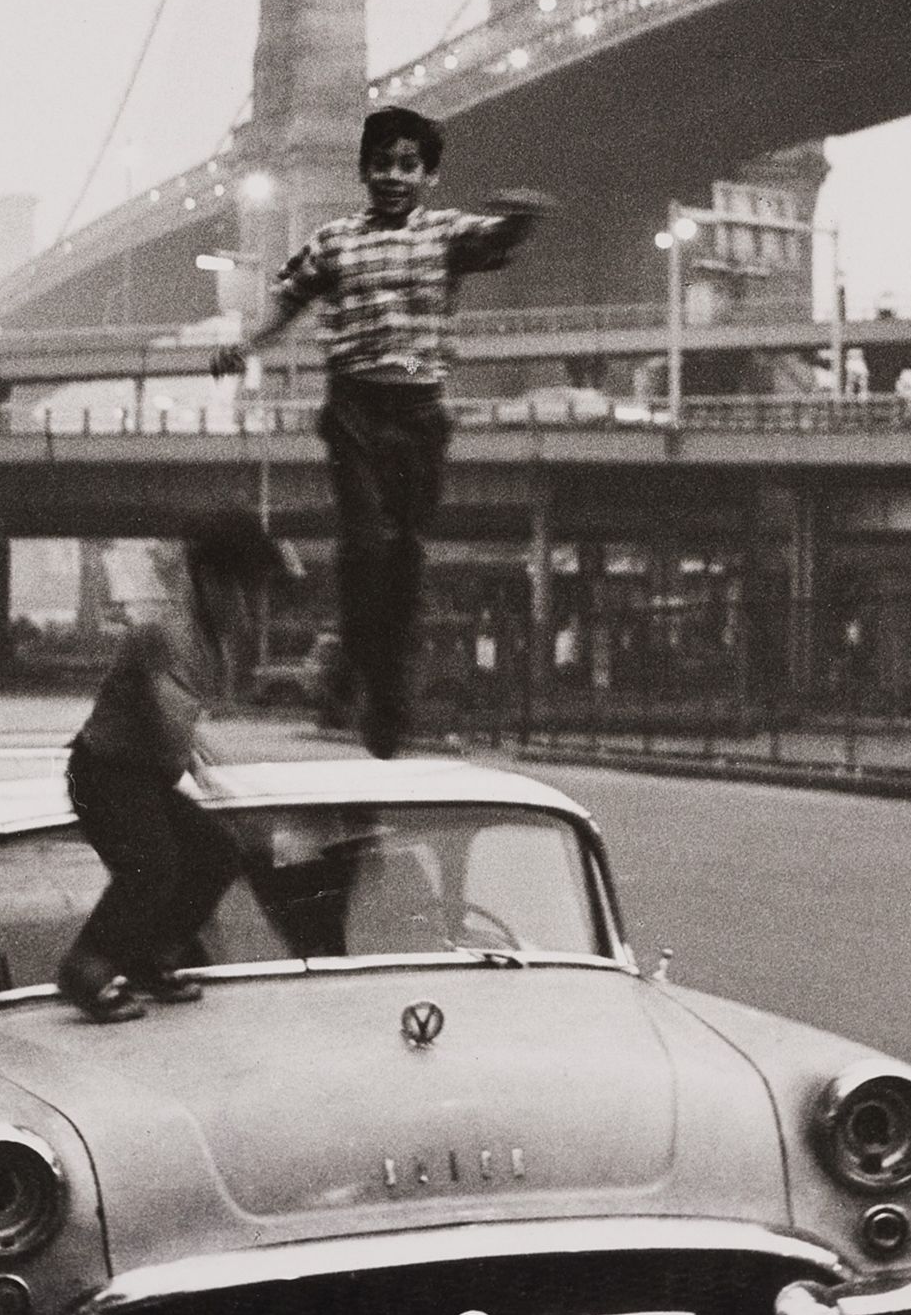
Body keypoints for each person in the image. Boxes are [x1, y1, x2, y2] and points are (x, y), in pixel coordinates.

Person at [210, 105, 552, 758]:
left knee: (404, 553)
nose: (394, 176)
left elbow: (495, 241)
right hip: (355, 406)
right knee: (364, 542)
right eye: (382, 164)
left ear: (427, 176)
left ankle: (384, 685)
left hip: (420, 409)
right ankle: (359, 668)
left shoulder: (446, 233)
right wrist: (243, 344)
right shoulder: (335, 239)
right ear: (364, 170)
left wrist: (519, 219)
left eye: (408, 165)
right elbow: (287, 297)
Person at [56, 512, 283, 1023]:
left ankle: (147, 961)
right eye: (242, 592)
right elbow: (171, 723)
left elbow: (186, 731)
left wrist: (220, 777)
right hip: (102, 775)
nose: (249, 609)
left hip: (142, 780)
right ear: (209, 582)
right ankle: (85, 970)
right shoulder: (166, 635)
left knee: (218, 853)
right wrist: (213, 774)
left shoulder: (206, 642)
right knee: (153, 866)